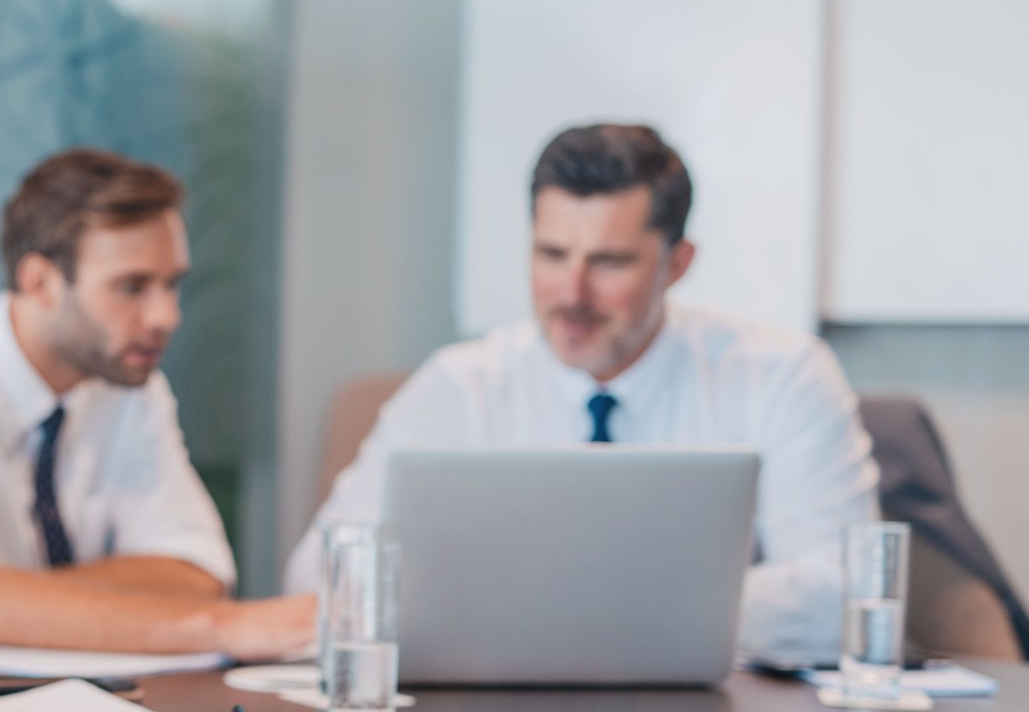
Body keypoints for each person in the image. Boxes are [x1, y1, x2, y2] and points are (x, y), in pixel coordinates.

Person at [287, 124, 880, 660]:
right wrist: (670, 611)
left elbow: (844, 595)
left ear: (677, 263)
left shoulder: (780, 376)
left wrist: (578, 611)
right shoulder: (459, 386)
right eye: (551, 254)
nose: (572, 293)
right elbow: (318, 578)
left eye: (609, 262)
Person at [0, 148, 314, 658]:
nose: (166, 316)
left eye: (172, 284)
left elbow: (198, 573)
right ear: (39, 282)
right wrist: (220, 628)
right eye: (132, 287)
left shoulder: (129, 386)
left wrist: (17, 602)